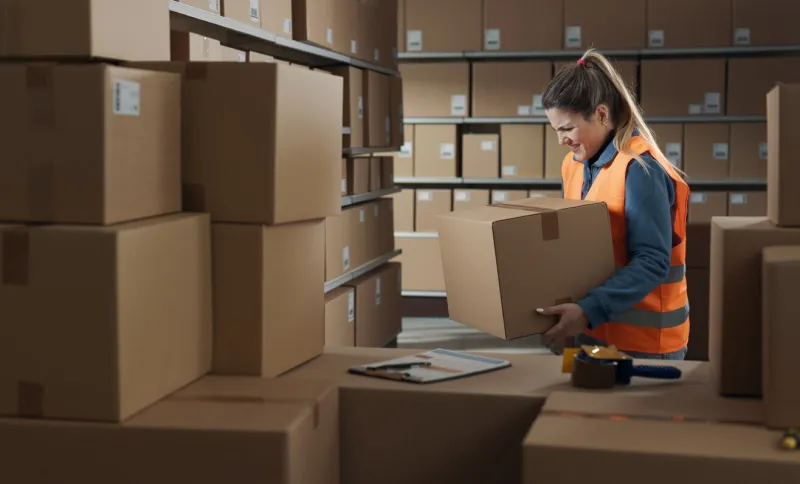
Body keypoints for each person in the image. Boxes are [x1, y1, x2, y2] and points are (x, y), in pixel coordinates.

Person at [536, 49, 690, 360]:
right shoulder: (573, 165)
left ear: (602, 115)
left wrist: (587, 310)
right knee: (576, 407)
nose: (560, 140)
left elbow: (652, 261)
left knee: (617, 410)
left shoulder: (640, 170)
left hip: (643, 345)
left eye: (567, 129)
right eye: (555, 130)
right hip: (589, 333)